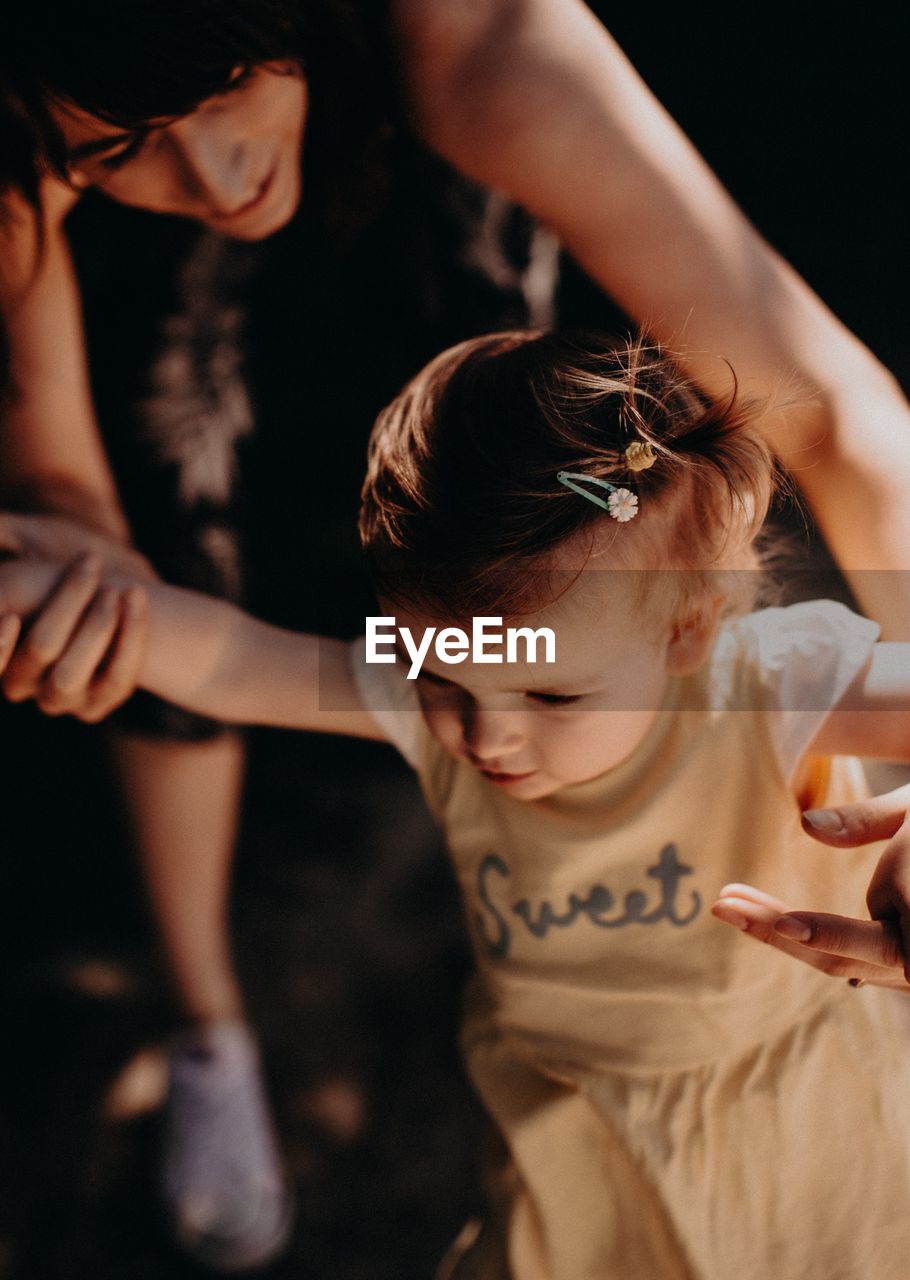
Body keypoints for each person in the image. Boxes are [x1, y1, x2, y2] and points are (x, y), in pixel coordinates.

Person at [3, 0, 910, 1266]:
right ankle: (215, 1033)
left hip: (798, 1136)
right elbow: (220, 653)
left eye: (546, 695)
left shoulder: (768, 680)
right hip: (569, 1137)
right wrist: (78, 597)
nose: (478, 730)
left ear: (691, 629)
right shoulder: (463, 677)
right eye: (433, 667)